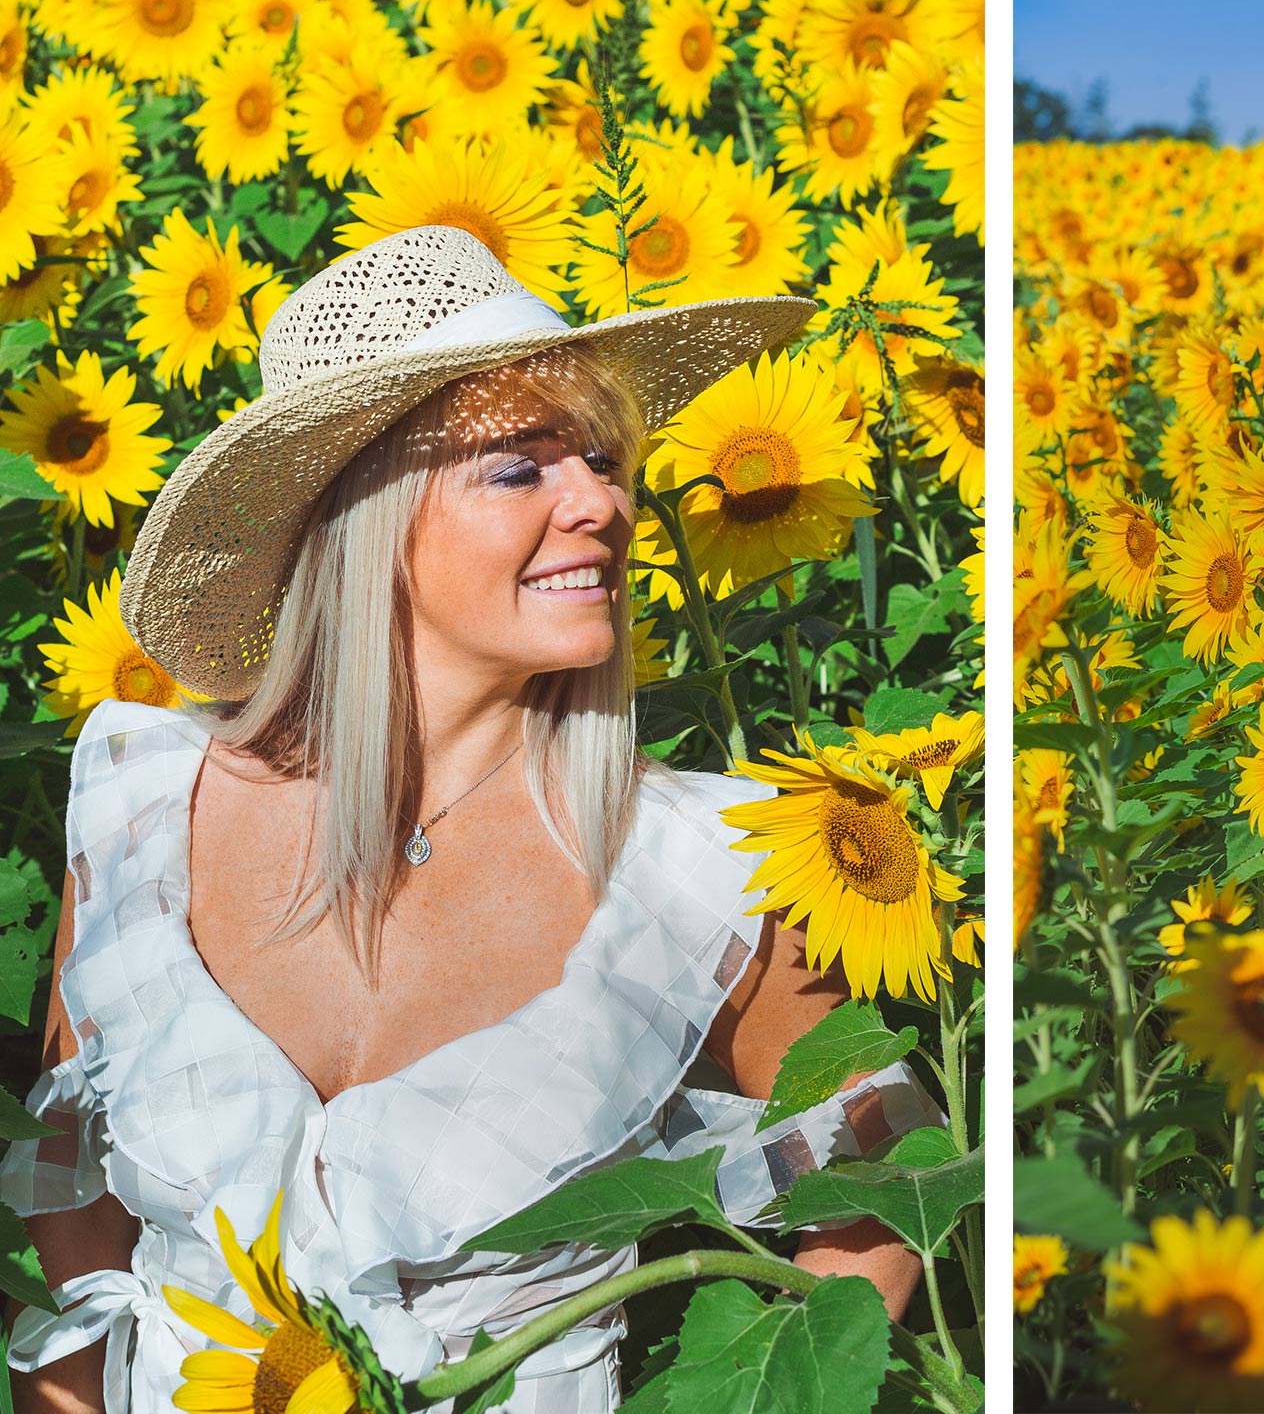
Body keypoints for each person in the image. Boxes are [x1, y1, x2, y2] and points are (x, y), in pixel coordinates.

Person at [1, 225, 945, 1412]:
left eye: (604, 461)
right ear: (363, 519)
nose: (600, 502)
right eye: (522, 466)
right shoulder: (143, 801)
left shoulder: (706, 867)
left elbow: (887, 1181)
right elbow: (77, 1187)